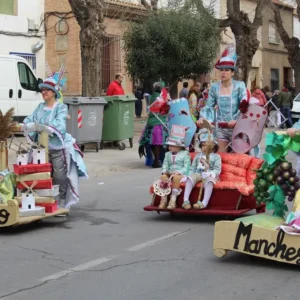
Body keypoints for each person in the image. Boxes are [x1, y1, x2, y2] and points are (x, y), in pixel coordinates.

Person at [22, 75, 88, 212]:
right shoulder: (40, 107)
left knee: (59, 175)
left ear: (54, 92)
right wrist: (27, 125)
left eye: (47, 90)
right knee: (41, 175)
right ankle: (44, 201)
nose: (44, 92)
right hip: (40, 148)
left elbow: (60, 125)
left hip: (57, 147)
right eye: (42, 90)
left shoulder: (61, 107)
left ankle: (61, 201)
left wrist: (42, 127)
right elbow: (30, 119)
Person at [197, 45, 247, 152]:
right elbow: (209, 106)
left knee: (238, 160)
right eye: (221, 70)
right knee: (221, 158)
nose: (223, 72)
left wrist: (236, 120)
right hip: (221, 127)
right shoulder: (214, 87)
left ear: (232, 72)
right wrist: (203, 119)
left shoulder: (240, 86)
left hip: (237, 127)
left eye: (227, 70)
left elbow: (244, 105)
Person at [182, 130, 221, 210]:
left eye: (206, 145)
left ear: (213, 146)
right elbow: (192, 168)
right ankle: (185, 200)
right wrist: (188, 176)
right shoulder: (198, 156)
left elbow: (217, 169)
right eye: (202, 145)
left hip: (209, 174)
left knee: (210, 181)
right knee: (190, 178)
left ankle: (204, 202)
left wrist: (210, 173)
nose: (204, 148)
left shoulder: (216, 157)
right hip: (198, 173)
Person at [139, 82, 168, 168]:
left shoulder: (152, 96)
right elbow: (163, 110)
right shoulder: (159, 98)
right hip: (159, 123)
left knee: (152, 143)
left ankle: (154, 159)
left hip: (151, 123)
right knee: (158, 144)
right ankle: (156, 161)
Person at [158, 135, 191, 210]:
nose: (169, 147)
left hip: (181, 174)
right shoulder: (167, 154)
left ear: (179, 147)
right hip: (170, 173)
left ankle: (173, 201)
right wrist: (164, 171)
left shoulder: (185, 154)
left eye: (172, 146)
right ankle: (163, 201)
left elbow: (187, 167)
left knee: (176, 178)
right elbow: (165, 164)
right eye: (169, 145)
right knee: (163, 177)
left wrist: (178, 172)